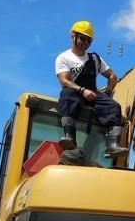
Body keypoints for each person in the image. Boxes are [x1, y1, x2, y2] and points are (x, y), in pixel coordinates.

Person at [55, 20, 128, 158]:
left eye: (89, 40)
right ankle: (69, 138)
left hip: (93, 94)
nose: (86, 43)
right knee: (66, 95)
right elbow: (64, 81)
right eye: (83, 38)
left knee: (114, 107)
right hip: (75, 92)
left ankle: (111, 146)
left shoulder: (94, 58)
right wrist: (82, 91)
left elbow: (112, 76)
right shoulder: (64, 58)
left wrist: (107, 93)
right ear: (73, 36)